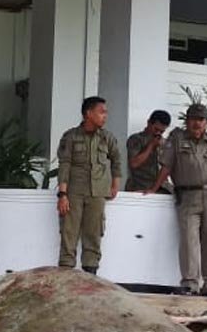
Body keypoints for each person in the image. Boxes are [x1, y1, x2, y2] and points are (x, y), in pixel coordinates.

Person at [145, 103, 207, 296]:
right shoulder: (176, 139)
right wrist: (154, 188)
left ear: (206, 123)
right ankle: (190, 283)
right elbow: (167, 167)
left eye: (201, 120)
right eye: (193, 119)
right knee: (189, 240)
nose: (197, 123)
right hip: (187, 194)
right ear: (187, 121)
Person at [55, 96, 121, 275]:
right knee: (69, 233)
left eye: (105, 112)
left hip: (98, 192)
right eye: (101, 112)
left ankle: (90, 275)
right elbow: (65, 164)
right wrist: (62, 194)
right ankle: (66, 275)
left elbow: (117, 161)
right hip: (74, 192)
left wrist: (115, 184)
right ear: (88, 113)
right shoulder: (71, 136)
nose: (105, 116)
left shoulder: (107, 138)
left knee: (93, 234)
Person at [125, 110, 172, 193]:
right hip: (140, 186)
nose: (158, 133)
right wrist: (151, 146)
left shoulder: (164, 142)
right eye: (156, 129)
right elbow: (134, 163)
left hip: (161, 188)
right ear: (149, 123)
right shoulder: (136, 139)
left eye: (161, 131)